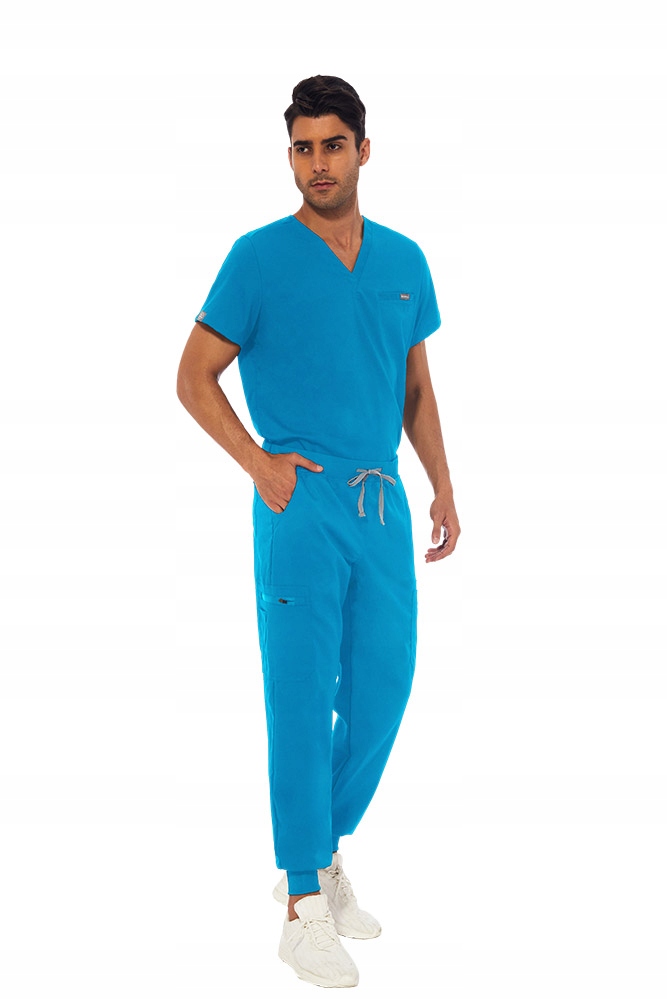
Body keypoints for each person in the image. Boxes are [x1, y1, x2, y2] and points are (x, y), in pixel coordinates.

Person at [176, 74, 460, 989]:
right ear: (290, 156)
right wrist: (257, 464)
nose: (317, 164)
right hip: (296, 504)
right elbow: (192, 375)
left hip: (380, 503)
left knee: (382, 691)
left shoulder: (403, 260)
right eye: (302, 148)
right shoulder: (257, 258)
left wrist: (442, 486)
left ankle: (316, 849)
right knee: (300, 701)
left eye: (332, 145)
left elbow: (414, 387)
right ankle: (303, 903)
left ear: (363, 150)